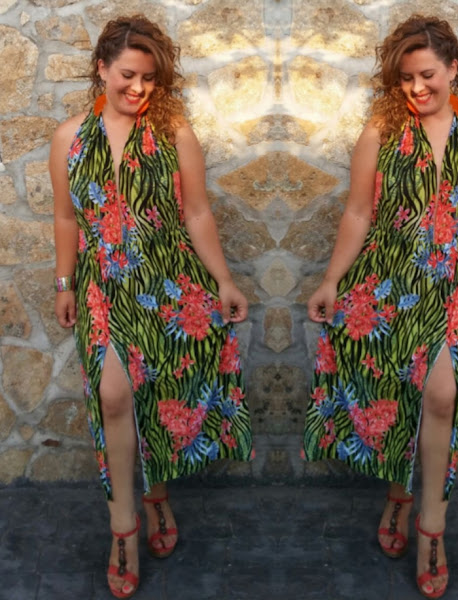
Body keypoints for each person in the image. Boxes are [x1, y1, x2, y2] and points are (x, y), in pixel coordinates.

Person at [51, 15, 253, 599]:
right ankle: (124, 530)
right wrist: (64, 283)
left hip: (169, 288)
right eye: (127, 75)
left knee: (161, 396)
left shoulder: (174, 134)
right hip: (102, 289)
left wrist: (224, 280)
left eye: (149, 78)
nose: (138, 88)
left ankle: (157, 492)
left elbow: (197, 213)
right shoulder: (68, 138)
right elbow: (66, 218)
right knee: (113, 396)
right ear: (101, 69)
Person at [302, 15, 458, 599]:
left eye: (428, 75)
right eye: (406, 78)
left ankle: (431, 529)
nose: (417, 88)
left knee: (441, 397)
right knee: (395, 396)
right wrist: (331, 280)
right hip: (386, 289)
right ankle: (399, 492)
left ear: (453, 69)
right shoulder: (380, 134)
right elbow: (358, 213)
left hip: (453, 290)